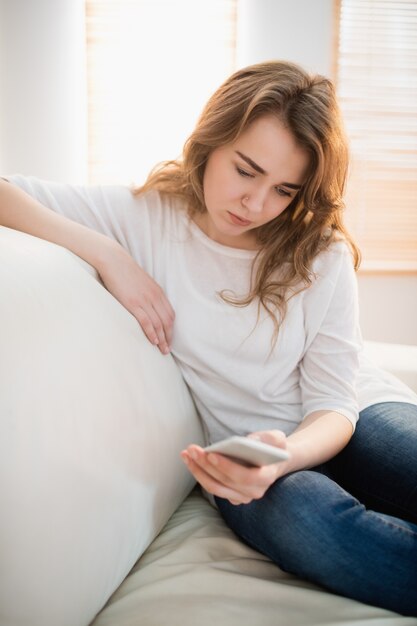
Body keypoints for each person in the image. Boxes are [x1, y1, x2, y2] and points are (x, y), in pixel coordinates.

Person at [1, 60, 416, 616]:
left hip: (350, 415)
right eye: (245, 170)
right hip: (240, 456)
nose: (256, 204)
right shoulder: (146, 217)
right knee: (311, 524)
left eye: (284, 190)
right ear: (211, 141)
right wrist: (109, 254)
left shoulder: (319, 251)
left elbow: (335, 404)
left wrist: (289, 452)